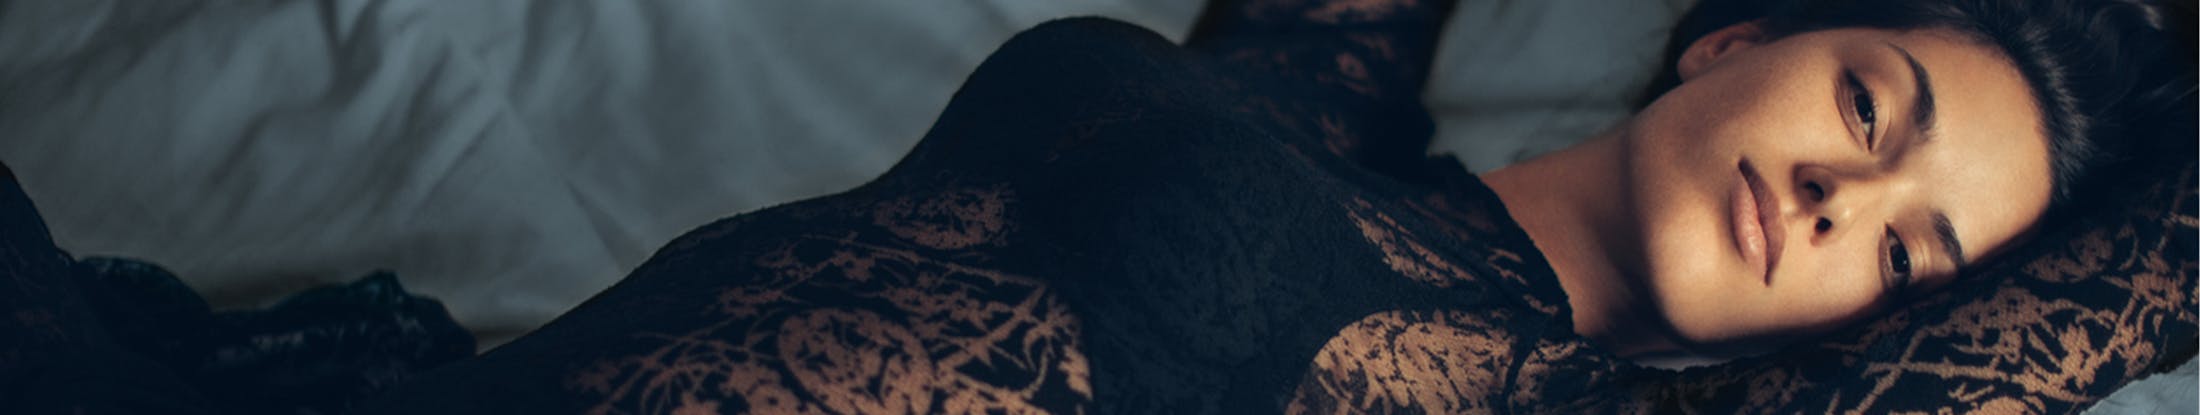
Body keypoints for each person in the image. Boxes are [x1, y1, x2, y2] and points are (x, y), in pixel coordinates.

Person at [4, 0, 2190, 413]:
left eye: (1902, 245)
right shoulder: (1305, 94)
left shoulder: (1599, 404)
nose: (1836, 193)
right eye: (1874, 100)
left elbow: (2132, 287)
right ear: (1738, 39)